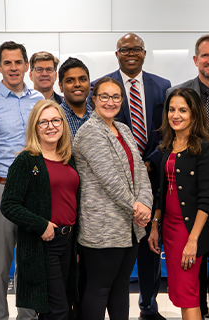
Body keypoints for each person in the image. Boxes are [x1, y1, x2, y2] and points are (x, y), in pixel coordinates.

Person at [93, 32, 171, 320]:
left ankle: (148, 307)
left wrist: (148, 164)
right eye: (125, 49)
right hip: (113, 182)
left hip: (151, 177)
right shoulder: (101, 86)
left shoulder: (162, 86)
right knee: (118, 247)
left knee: (150, 248)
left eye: (136, 49)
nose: (131, 53)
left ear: (144, 53)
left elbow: (166, 130)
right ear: (117, 54)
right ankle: (114, 307)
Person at [0, 40, 45, 320]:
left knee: (29, 262)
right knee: (0, 266)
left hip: (34, 191)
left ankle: (28, 317)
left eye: (18, 62)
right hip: (2, 189)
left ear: (27, 66)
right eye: (7, 63)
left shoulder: (39, 100)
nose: (13, 68)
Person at [72, 77, 153, 320]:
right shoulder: (90, 132)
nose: (110, 102)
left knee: (120, 288)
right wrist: (136, 207)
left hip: (129, 227)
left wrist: (146, 202)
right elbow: (109, 179)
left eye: (116, 97)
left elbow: (140, 171)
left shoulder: (123, 129)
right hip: (103, 227)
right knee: (99, 288)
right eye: (104, 96)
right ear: (93, 100)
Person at [167, 34, 209, 318]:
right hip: (186, 202)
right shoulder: (179, 92)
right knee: (189, 282)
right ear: (196, 60)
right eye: (204, 56)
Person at [0, 100, 80, 320]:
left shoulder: (69, 159)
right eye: (43, 122)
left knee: (66, 306)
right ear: (34, 127)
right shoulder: (26, 161)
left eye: (56, 120)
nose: (50, 126)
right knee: (57, 312)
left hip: (69, 243)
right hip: (43, 245)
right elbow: (8, 205)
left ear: (63, 124)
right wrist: (40, 224)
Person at [147, 87, 209, 320]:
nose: (175, 115)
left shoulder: (204, 148)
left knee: (188, 293)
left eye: (183, 110)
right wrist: (156, 224)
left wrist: (192, 241)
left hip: (189, 232)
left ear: (194, 114)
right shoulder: (167, 146)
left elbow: (206, 199)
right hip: (169, 229)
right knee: (179, 292)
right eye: (172, 109)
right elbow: (160, 191)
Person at [58, 57, 94, 138]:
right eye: (70, 80)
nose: (77, 84)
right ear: (60, 86)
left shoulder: (99, 117)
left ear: (89, 83)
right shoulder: (55, 119)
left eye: (82, 79)